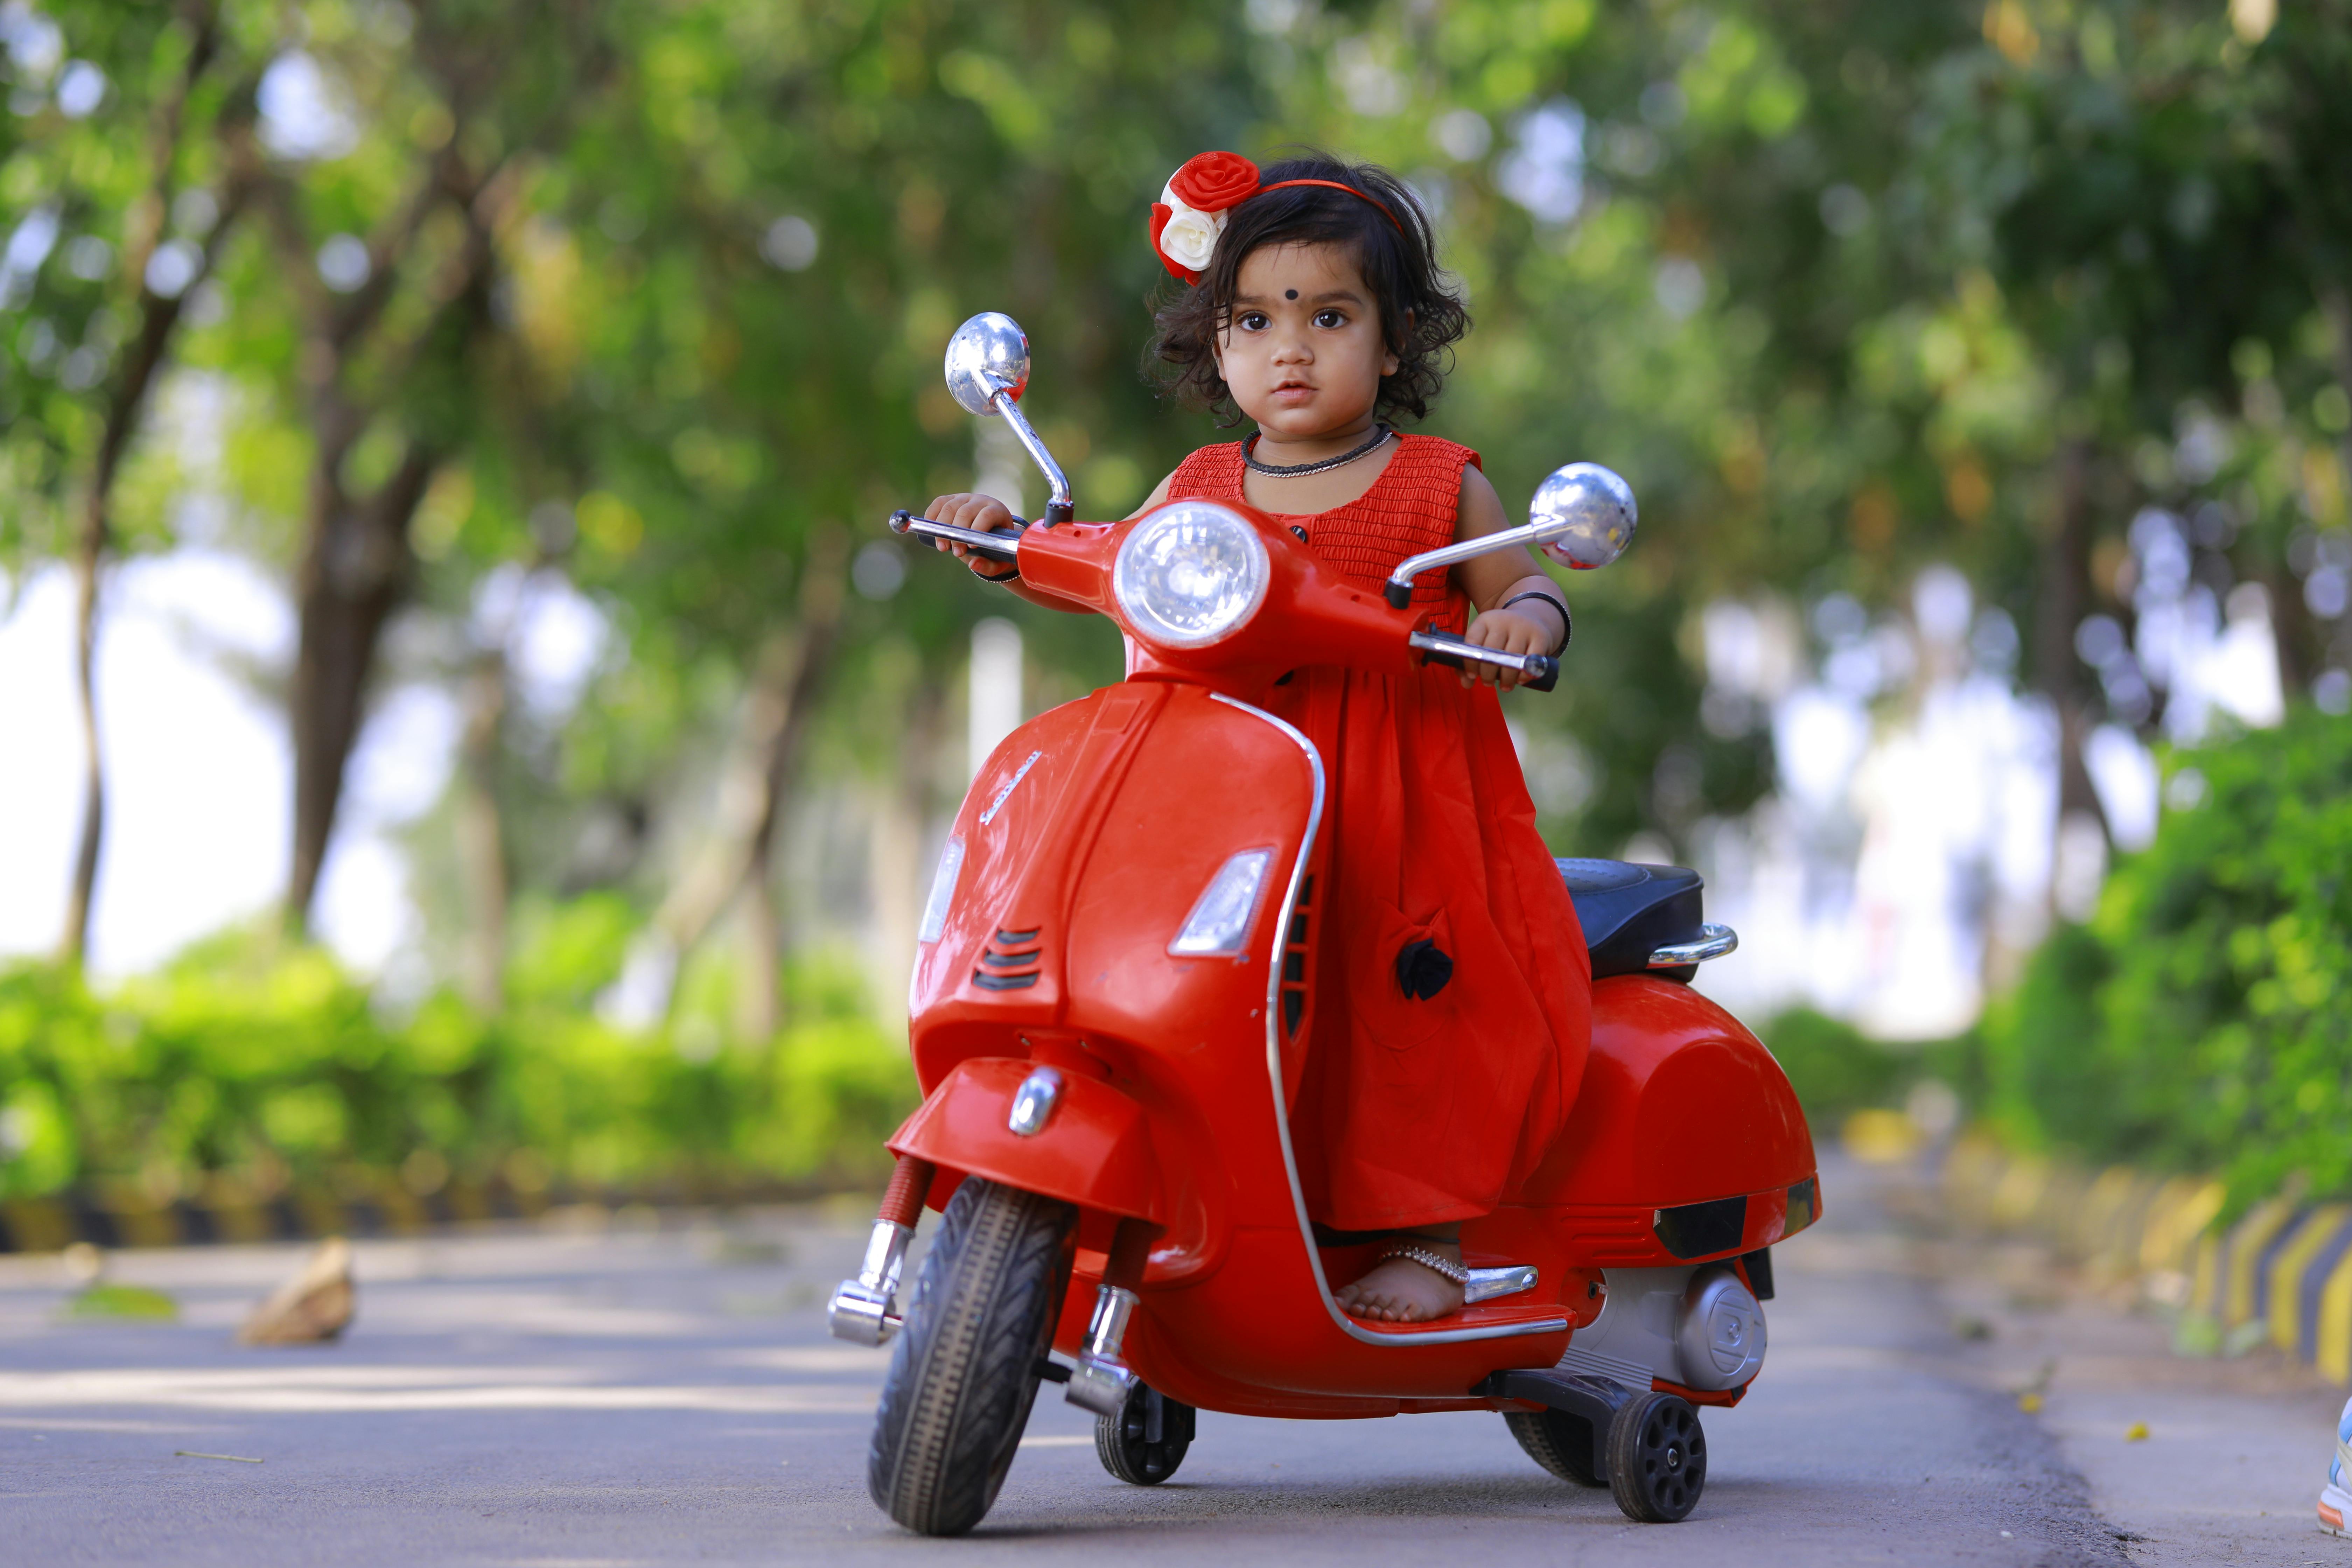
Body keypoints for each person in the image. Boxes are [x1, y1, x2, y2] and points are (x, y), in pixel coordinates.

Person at [922, 150, 1591, 1324]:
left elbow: (1526, 583)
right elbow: (1116, 566)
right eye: (1255, 319)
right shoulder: (1198, 486)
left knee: (1396, 1005)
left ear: (1393, 342)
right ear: (1217, 343)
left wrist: (1521, 617)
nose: (1291, 348)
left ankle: (1427, 1238)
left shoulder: (1438, 483)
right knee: (1199, 979)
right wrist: (1005, 539)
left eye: (1329, 315)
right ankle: (1188, 1191)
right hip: (1226, 788)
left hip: (1389, 795)